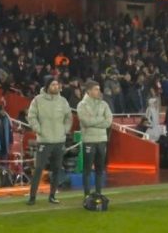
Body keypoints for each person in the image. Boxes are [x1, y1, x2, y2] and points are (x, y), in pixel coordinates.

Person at [26, 77, 72, 205]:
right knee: (39, 168)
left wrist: (65, 130)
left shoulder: (63, 101)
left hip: (59, 140)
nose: (56, 87)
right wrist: (38, 130)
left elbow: (69, 117)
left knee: (57, 169)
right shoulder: (37, 100)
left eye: (57, 85)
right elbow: (31, 116)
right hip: (44, 140)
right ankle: (32, 197)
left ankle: (52, 195)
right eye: (53, 85)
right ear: (47, 86)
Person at [76, 79, 113, 199]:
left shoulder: (104, 104)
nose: (99, 91)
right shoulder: (82, 105)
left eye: (99, 89)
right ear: (89, 91)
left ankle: (98, 193)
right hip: (89, 140)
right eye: (96, 89)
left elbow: (108, 121)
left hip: (102, 140)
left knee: (100, 169)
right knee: (87, 169)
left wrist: (94, 122)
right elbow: (86, 122)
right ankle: (87, 195)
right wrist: (100, 120)